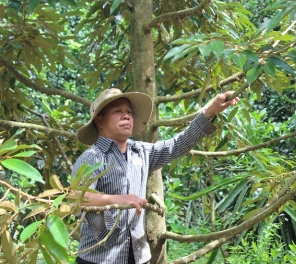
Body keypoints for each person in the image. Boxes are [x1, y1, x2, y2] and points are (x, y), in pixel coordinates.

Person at [72, 88, 239, 264]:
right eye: (117, 111)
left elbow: (177, 145)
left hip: (138, 257)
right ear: (99, 120)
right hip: (99, 259)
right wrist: (117, 199)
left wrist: (210, 110)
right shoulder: (92, 158)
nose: (126, 115)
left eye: (129, 112)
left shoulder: (141, 152)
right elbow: (78, 197)